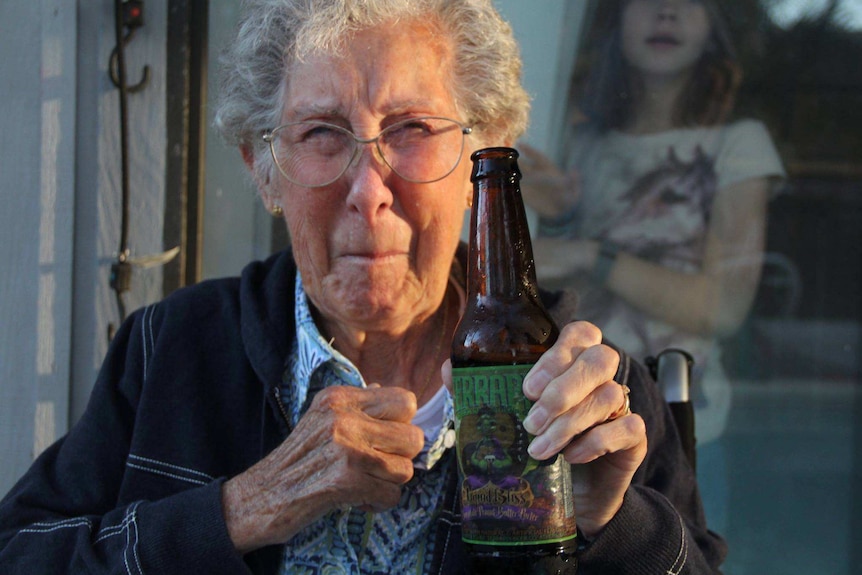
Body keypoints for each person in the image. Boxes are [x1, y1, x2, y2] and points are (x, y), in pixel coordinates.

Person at [0, 1, 725, 573]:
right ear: (262, 168)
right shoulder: (170, 350)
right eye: (321, 132)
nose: (369, 189)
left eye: (411, 128)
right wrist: (243, 507)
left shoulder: (586, 387)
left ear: (483, 155)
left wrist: (609, 526)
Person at [520, 0, 784, 465]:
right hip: (576, 422)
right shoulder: (579, 144)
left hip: (683, 430)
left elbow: (722, 307)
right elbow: (553, 296)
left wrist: (590, 254)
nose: (667, 11)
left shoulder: (740, 144)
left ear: (714, 26)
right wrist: (560, 217)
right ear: (614, 19)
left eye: (691, 1)